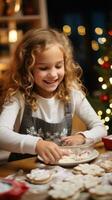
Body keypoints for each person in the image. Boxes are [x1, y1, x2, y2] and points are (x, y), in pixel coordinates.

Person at [0, 28, 107, 164]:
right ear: (27, 69)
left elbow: (101, 128)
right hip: (25, 170)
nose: (53, 74)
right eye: (44, 68)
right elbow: (1, 135)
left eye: (58, 66)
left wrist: (82, 137)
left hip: (60, 173)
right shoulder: (17, 97)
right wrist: (36, 144)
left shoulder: (72, 93)